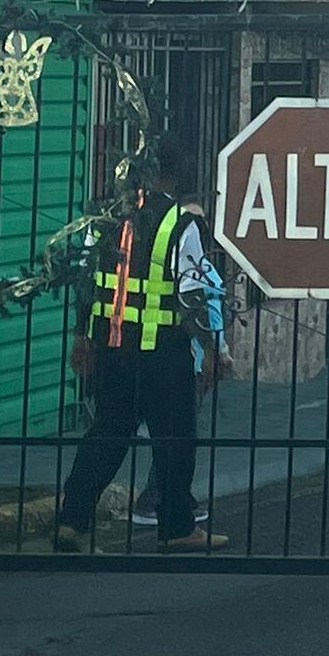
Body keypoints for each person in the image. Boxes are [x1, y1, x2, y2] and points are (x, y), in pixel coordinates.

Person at [56, 138, 229, 552]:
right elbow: (194, 296)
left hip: (113, 348)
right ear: (175, 175)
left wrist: (83, 337)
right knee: (175, 441)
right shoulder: (180, 224)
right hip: (163, 351)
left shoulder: (108, 219)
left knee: (107, 435)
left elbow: (87, 284)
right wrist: (210, 351)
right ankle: (178, 527)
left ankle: (72, 521)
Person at [130, 193, 231, 528]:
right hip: (186, 360)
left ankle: (176, 501)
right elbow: (204, 309)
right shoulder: (192, 268)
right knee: (176, 436)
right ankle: (157, 501)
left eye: (200, 222)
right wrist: (217, 351)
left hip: (185, 359)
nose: (196, 228)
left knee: (173, 435)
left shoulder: (202, 266)